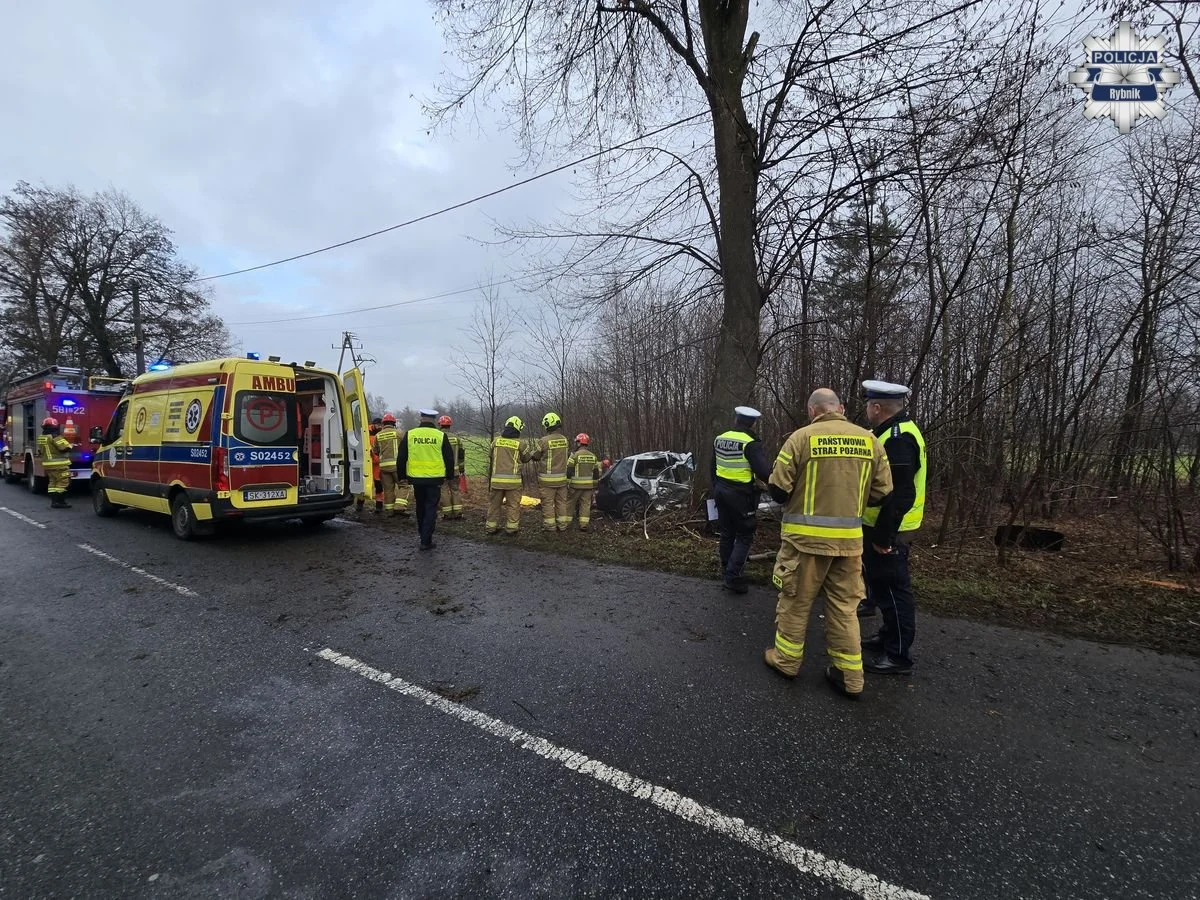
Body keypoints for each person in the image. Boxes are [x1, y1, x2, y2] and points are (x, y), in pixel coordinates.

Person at [763, 388, 892, 700]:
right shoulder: (870, 440)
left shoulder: (801, 438)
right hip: (849, 545)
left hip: (805, 544)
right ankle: (850, 677)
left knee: (795, 603)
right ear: (842, 408)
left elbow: (778, 490)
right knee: (845, 610)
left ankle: (787, 661)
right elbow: (883, 491)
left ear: (812, 411)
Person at [859, 380, 927, 676]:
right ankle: (887, 636)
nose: (866, 409)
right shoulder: (889, 432)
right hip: (882, 526)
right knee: (883, 586)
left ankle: (898, 655)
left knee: (894, 590)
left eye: (868, 405)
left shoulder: (898, 438)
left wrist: (884, 536)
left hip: (892, 529)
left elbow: (902, 493)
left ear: (877, 407)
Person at [712, 406, 773, 594]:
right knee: (745, 535)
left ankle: (726, 570)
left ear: (736, 419)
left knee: (727, 533)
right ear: (753, 422)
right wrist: (777, 485)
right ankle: (734, 577)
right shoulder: (751, 443)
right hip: (740, 495)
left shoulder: (720, 438)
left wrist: (715, 487)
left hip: (721, 491)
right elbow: (764, 472)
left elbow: (711, 466)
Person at [396, 409, 455, 550]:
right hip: (434, 479)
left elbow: (401, 457)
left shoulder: (410, 435)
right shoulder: (440, 436)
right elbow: (449, 458)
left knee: (420, 507)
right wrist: (450, 476)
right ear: (434, 420)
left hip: (416, 479)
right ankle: (426, 540)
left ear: (421, 419)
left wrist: (402, 476)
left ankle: (422, 533)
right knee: (431, 508)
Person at [523, 412, 571, 532]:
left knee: (548, 503)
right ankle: (562, 525)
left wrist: (531, 454)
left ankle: (550, 527)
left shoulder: (543, 441)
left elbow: (537, 456)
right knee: (561, 503)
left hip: (547, 480)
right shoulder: (564, 440)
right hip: (562, 480)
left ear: (547, 425)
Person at [487, 416, 525, 535]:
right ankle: (511, 529)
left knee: (494, 505)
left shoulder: (496, 441)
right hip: (513, 483)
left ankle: (490, 528)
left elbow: (491, 455)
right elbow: (526, 458)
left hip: (496, 481)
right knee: (513, 506)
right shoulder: (520, 444)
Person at [565, 433, 601, 531]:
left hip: (575, 486)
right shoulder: (593, 456)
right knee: (585, 505)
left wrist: (567, 483)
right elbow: (596, 473)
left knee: (570, 504)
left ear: (579, 443)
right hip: (588, 487)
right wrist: (594, 485)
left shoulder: (574, 456)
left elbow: (569, 471)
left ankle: (566, 524)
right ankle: (583, 525)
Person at [38, 417, 74, 509]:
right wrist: (70, 445)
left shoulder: (42, 437)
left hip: (48, 465)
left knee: (53, 482)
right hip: (59, 464)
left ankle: (54, 502)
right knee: (63, 482)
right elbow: (64, 447)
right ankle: (60, 502)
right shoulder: (55, 436)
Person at [437, 415, 466, 519]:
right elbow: (461, 455)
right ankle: (458, 513)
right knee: (455, 490)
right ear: (450, 425)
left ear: (440, 425)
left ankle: (447, 513)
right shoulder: (456, 438)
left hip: (441, 471)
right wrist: (462, 469)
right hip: (455, 471)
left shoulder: (438, 437)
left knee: (444, 490)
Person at [375, 413, 401, 516]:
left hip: (383, 467)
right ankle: (399, 507)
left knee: (388, 489)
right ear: (394, 423)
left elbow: (375, 451)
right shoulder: (398, 433)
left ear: (383, 423)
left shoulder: (378, 435)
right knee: (403, 486)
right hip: (396, 466)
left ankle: (389, 511)